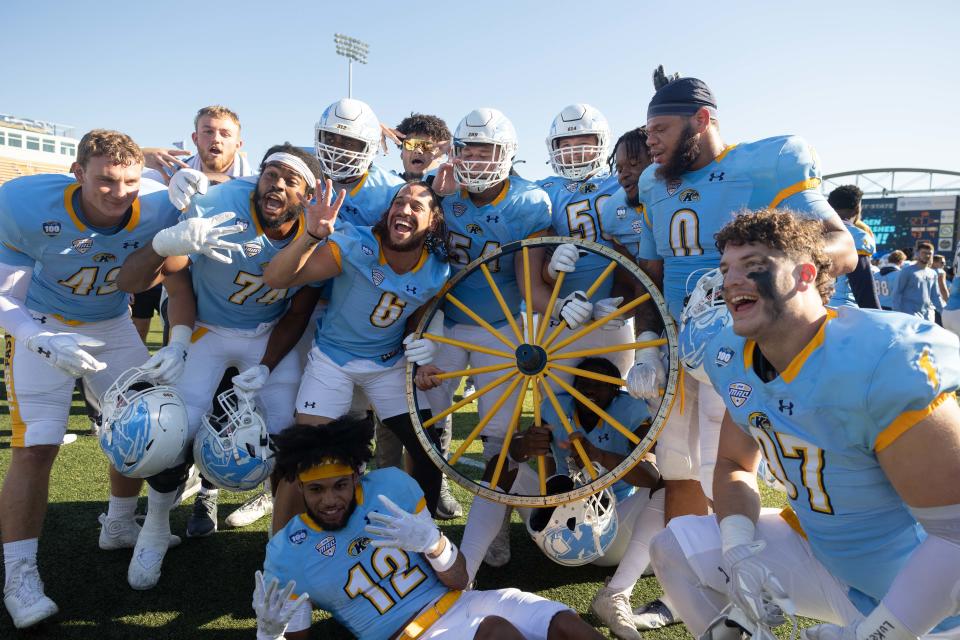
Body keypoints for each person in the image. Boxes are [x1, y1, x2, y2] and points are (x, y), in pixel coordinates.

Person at [648, 208, 960, 640]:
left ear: (805, 275)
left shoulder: (879, 360)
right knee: (674, 546)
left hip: (929, 599)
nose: (730, 281)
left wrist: (877, 634)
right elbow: (733, 462)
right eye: (726, 269)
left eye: (753, 267)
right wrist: (738, 547)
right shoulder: (736, 357)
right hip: (828, 559)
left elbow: (955, 540)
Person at [624, 70, 857, 534]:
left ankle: (742, 570)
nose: (650, 142)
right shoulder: (653, 182)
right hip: (677, 346)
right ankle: (687, 586)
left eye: (660, 130)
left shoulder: (766, 164)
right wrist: (649, 341)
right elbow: (652, 276)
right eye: (648, 131)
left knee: (723, 465)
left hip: (740, 342)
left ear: (702, 120)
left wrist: (768, 273)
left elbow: (842, 247)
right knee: (676, 469)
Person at [0, 130, 187, 627]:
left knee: (138, 426)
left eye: (129, 180)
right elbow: (5, 295)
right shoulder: (23, 202)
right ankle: (18, 575)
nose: (118, 192)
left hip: (111, 322)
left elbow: (155, 274)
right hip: (43, 322)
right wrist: (38, 338)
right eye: (105, 180)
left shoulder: (158, 204)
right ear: (78, 173)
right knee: (37, 445)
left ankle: (121, 525)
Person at [115, 144, 322, 588]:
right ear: (258, 175)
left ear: (308, 194)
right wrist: (181, 337)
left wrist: (267, 366)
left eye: (291, 180)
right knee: (174, 428)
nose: (277, 185)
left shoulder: (316, 231)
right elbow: (176, 273)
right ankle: (153, 529)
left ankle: (283, 543)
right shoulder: (219, 204)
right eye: (272, 174)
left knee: (288, 435)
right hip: (207, 325)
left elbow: (298, 312)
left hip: (267, 332)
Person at [253, 417, 604, 640]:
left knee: (564, 622)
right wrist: (271, 635)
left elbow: (457, 576)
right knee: (497, 633)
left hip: (461, 600)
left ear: (357, 476)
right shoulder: (288, 553)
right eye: (317, 489)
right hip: (409, 634)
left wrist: (433, 543)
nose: (330, 500)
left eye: (340, 486)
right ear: (298, 487)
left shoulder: (390, 488)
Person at [418, 107, 568, 569]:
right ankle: (416, 524)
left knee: (498, 433)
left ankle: (494, 532)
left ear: (508, 155)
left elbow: (529, 282)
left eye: (487, 150)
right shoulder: (441, 188)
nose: (477, 160)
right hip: (443, 319)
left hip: (499, 328)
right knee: (421, 422)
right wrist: (427, 191)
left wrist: (560, 308)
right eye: (469, 149)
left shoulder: (530, 202)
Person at [263, 180, 450, 530]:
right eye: (399, 202)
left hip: (387, 364)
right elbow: (276, 278)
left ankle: (421, 538)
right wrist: (312, 237)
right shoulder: (355, 244)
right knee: (302, 453)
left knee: (427, 446)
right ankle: (279, 549)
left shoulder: (437, 269)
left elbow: (414, 319)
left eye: (416, 206)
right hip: (335, 359)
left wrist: (422, 350)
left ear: (433, 222)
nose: (405, 210)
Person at [454, 357, 664, 640]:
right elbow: (515, 452)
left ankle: (616, 593)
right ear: (573, 386)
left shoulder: (631, 411)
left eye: (601, 384)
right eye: (584, 382)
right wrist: (524, 446)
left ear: (616, 392)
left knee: (668, 488)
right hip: (553, 524)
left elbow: (652, 475)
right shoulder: (555, 407)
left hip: (610, 531)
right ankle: (462, 576)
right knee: (501, 464)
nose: (590, 388)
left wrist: (601, 458)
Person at [537, 104, 637, 380]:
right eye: (565, 144)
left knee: (617, 392)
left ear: (602, 144)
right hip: (558, 318)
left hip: (612, 314)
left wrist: (626, 302)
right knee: (555, 400)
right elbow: (527, 268)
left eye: (583, 143)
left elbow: (639, 256)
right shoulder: (542, 192)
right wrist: (550, 267)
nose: (573, 151)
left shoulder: (623, 184)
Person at [314, 97, 405, 226]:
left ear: (370, 148)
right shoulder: (300, 167)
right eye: (330, 140)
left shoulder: (392, 191)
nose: (336, 150)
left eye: (348, 143)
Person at [141, 105, 253, 184]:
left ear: (238, 145)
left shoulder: (256, 184)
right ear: (195, 138)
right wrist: (139, 155)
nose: (216, 139)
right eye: (208, 132)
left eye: (225, 134)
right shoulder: (170, 174)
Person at [597, 127, 653, 261]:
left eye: (633, 164)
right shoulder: (613, 209)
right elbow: (626, 265)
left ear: (655, 158)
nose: (624, 175)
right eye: (619, 169)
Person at [826, 185, 880, 309]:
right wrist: (876, 315)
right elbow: (862, 286)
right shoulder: (857, 236)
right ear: (857, 208)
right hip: (843, 309)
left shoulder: (811, 231)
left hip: (812, 308)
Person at [892, 240, 943, 320]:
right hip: (909, 315)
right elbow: (897, 293)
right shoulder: (906, 271)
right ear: (917, 253)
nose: (927, 255)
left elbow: (935, 296)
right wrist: (897, 314)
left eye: (929, 253)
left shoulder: (933, 273)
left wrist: (943, 311)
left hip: (927, 316)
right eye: (924, 253)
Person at [394, 113, 452, 181]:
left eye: (427, 145)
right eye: (410, 144)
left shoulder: (459, 188)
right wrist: (377, 130)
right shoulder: (383, 187)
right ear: (402, 154)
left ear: (440, 155)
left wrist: (457, 147)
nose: (418, 150)